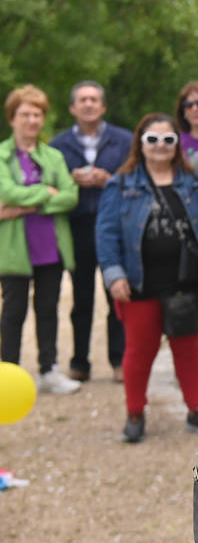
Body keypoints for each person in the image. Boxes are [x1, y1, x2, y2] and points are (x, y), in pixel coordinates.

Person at [96, 113, 198, 443]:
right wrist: (114, 275)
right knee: (139, 351)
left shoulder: (194, 183)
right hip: (138, 284)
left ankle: (196, 410)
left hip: (187, 283)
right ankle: (135, 413)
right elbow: (106, 235)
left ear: (177, 144)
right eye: (152, 140)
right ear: (140, 144)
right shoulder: (120, 184)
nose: (160, 146)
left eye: (168, 139)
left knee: (188, 349)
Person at [49, 80, 131, 383]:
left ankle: (119, 360)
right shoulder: (57, 146)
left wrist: (107, 179)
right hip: (77, 226)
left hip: (115, 227)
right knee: (81, 298)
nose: (88, 104)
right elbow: (50, 186)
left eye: (94, 99)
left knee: (117, 296)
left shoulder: (124, 140)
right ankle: (80, 362)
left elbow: (135, 177)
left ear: (103, 106)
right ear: (72, 107)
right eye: (82, 99)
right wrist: (71, 181)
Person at [0, 86, 80, 395]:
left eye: (37, 114)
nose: (32, 120)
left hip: (50, 245)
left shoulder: (53, 156)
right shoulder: (3, 156)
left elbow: (70, 196)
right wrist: (47, 192)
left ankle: (49, 370)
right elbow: (7, 192)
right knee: (13, 311)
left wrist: (26, 206)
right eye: (25, 114)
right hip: (14, 249)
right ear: (13, 118)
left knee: (48, 309)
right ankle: (9, 374)